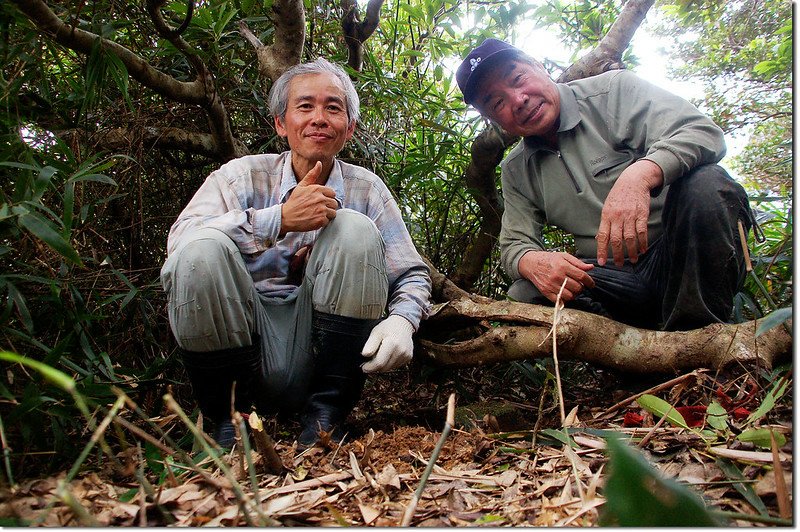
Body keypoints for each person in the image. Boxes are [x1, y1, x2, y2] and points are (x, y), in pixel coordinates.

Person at [161, 57, 432, 448]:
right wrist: (279, 220)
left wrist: (402, 321)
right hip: (241, 345)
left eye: (333, 107)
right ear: (280, 123)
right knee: (201, 249)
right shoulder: (240, 177)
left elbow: (410, 272)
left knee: (352, 226)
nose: (319, 118)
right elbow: (180, 245)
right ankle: (228, 426)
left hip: (322, 350)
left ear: (349, 128)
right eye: (305, 106)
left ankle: (325, 420)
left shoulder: (366, 189)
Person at [456, 38, 757, 331]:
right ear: (491, 119)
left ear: (538, 66)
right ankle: (629, 360)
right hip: (616, 281)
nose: (518, 100)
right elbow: (514, 245)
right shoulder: (516, 170)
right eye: (498, 102)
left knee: (707, 183)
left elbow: (702, 132)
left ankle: (699, 341)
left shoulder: (613, 91)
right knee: (527, 293)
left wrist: (640, 174)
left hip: (679, 255)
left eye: (518, 78)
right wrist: (532, 260)